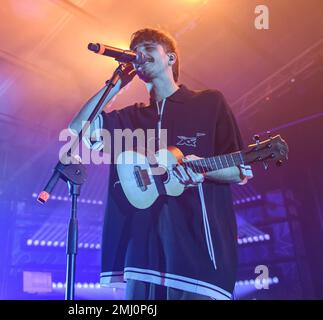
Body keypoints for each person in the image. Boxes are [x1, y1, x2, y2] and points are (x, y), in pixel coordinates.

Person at [69, 28, 252, 300]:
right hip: (140, 257)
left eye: (149, 47)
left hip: (198, 257)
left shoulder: (209, 102)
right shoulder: (130, 118)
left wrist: (202, 166)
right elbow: (78, 129)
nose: (140, 53)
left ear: (171, 59)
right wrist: (116, 85)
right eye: (135, 49)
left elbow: (240, 170)